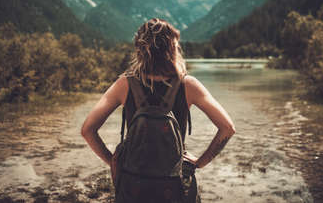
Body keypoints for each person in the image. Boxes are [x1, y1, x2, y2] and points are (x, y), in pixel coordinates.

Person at [81, 18, 235, 202]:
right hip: (174, 185)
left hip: (133, 184)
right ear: (172, 49)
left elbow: (87, 130)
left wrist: (114, 161)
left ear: (140, 50)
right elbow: (227, 128)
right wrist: (200, 162)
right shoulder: (188, 85)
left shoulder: (125, 84)